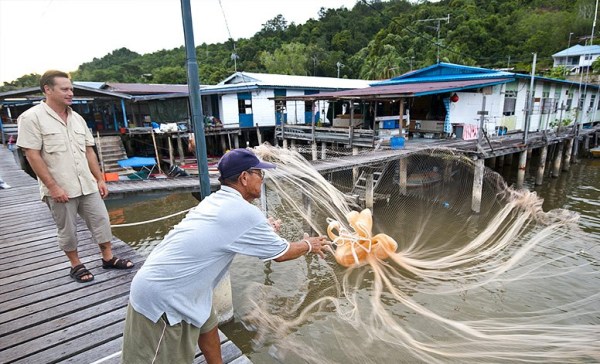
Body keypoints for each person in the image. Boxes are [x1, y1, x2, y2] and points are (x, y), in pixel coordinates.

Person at [121, 148, 330, 364]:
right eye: (260, 174)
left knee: (207, 322)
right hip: (163, 300)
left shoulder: (217, 200)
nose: (263, 180)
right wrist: (308, 245)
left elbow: (230, 231)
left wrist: (264, 229)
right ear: (244, 177)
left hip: (188, 289)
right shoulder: (243, 212)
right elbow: (282, 254)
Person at [16, 70, 133, 283]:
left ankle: (107, 258)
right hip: (60, 187)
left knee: (102, 221)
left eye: (71, 89)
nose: (70, 93)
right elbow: (32, 155)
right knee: (67, 229)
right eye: (65, 89)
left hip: (87, 184)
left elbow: (89, 151)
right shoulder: (31, 118)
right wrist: (53, 187)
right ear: (48, 90)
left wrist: (99, 179)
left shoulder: (77, 118)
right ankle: (76, 264)